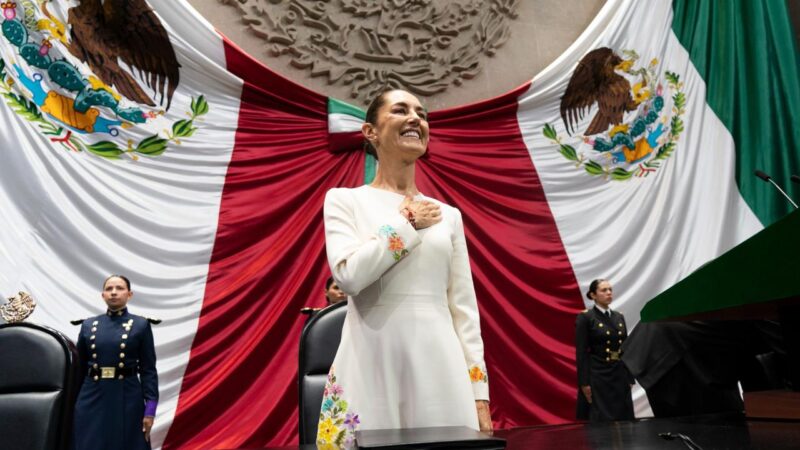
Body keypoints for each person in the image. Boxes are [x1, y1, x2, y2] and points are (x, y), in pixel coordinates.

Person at [318, 89, 491, 447]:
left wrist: (479, 391)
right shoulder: (344, 200)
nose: (416, 119)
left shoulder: (449, 216)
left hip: (441, 367)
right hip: (371, 362)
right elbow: (349, 276)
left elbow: (464, 310)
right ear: (370, 132)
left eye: (422, 114)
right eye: (400, 110)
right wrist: (406, 224)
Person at [72, 275, 159, 450]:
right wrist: (72, 404)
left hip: (127, 394)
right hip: (92, 394)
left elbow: (148, 369)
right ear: (102, 295)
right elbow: (79, 369)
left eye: (119, 288)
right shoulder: (88, 325)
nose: (113, 292)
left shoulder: (140, 324)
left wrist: (150, 410)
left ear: (130, 294)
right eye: (109, 289)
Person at [575, 279, 634, 421]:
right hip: (599, 374)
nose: (609, 293)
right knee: (603, 418)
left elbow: (625, 348)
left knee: (624, 417)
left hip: (619, 372)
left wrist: (630, 376)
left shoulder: (618, 316)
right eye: (603, 290)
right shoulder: (586, 317)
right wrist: (584, 382)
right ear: (593, 295)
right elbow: (581, 352)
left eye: (610, 290)